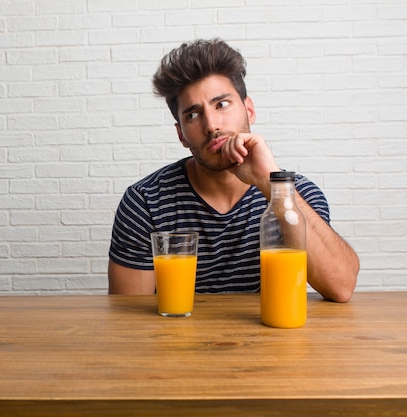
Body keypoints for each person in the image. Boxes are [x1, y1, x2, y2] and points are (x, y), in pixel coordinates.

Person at [108, 38, 359, 302]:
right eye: (193, 114)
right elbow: (129, 320)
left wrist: (267, 181)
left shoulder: (298, 196)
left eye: (222, 104)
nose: (212, 124)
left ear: (249, 110)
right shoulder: (146, 201)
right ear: (181, 134)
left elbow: (341, 287)